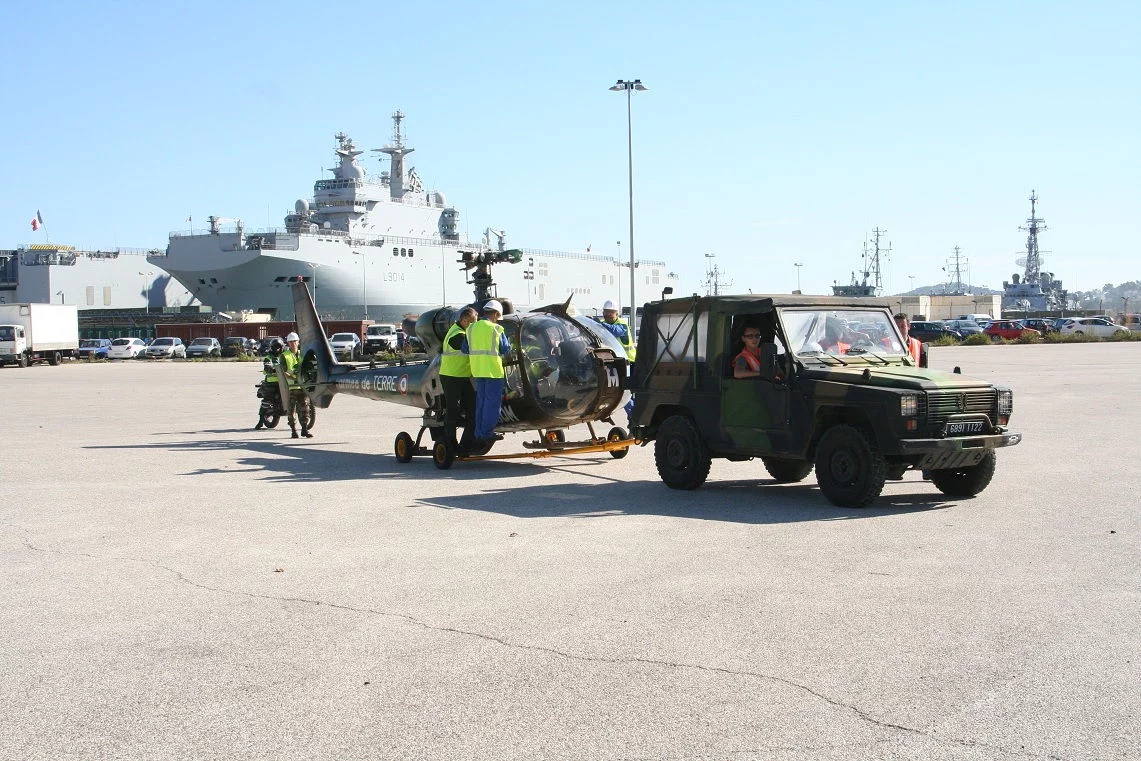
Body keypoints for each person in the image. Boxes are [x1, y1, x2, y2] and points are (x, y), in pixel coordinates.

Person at [465, 299, 511, 444]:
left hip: (478, 370)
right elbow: (505, 348)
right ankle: (486, 433)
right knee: (492, 403)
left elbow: (464, 349)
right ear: (496, 314)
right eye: (498, 317)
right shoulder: (497, 329)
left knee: (481, 402)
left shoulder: (471, 328)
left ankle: (479, 432)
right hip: (493, 372)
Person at [440, 306, 479, 453]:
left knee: (472, 409)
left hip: (463, 376)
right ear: (464, 321)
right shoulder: (457, 335)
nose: (474, 326)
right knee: (453, 410)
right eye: (472, 323)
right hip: (451, 377)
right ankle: (450, 443)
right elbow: (468, 347)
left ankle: (467, 443)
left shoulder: (464, 331)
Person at [278, 332, 313, 439]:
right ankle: (293, 430)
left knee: (305, 409)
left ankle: (304, 429)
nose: (293, 343)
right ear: (288, 343)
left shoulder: (303, 354)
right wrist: (294, 378)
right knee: (291, 410)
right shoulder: (285, 356)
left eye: (295, 341)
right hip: (291, 387)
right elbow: (283, 372)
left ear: (298, 342)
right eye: (291, 341)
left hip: (302, 387)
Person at [254, 338, 283, 430]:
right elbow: (267, 366)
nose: (277, 348)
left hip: (285, 381)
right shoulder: (269, 357)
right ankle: (260, 421)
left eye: (279, 346)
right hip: (272, 383)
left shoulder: (285, 356)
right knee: (267, 400)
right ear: (272, 347)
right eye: (275, 347)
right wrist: (270, 369)